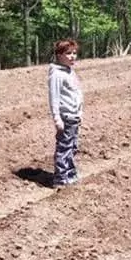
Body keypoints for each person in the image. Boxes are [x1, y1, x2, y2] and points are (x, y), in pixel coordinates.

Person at [48, 39, 84, 187]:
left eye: (74, 53)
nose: (72, 56)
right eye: (68, 53)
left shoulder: (70, 72)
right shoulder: (57, 75)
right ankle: (61, 178)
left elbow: (76, 93)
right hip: (66, 117)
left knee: (73, 146)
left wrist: (80, 112)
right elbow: (54, 98)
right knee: (64, 147)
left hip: (75, 116)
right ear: (59, 55)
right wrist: (57, 119)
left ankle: (70, 172)